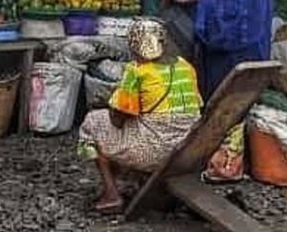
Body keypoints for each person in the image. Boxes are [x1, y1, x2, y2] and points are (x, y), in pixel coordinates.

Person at [77, 18, 203, 213]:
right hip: (188, 150)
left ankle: (112, 194)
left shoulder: (137, 71)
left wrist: (112, 101)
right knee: (139, 124)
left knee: (93, 122)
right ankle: (141, 184)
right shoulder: (186, 67)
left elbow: (117, 121)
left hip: (153, 152)